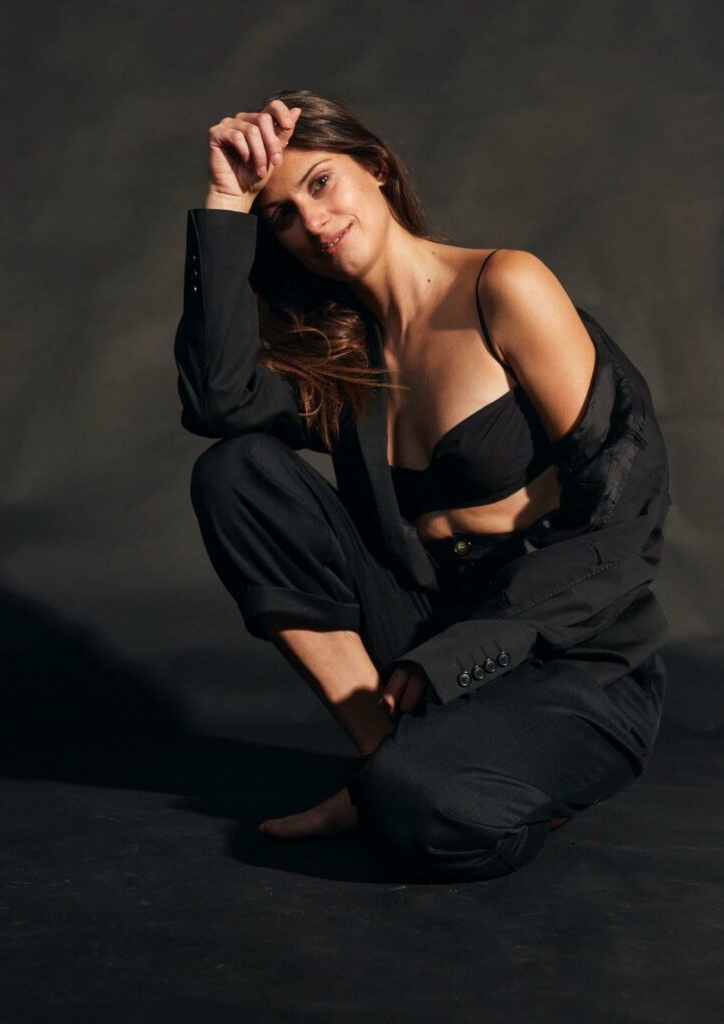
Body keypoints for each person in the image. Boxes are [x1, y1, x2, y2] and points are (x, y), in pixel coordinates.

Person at [174, 89, 671, 883]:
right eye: (282, 217)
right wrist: (226, 200)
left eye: (321, 183)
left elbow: (623, 514)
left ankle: (411, 783)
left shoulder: (502, 285)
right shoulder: (344, 357)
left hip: (569, 650)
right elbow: (218, 402)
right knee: (233, 471)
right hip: (426, 620)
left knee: (422, 812)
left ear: (375, 168)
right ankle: (381, 761)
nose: (313, 222)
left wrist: (468, 650)